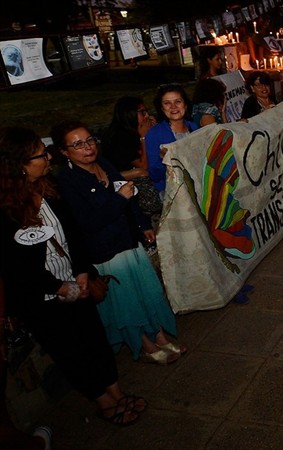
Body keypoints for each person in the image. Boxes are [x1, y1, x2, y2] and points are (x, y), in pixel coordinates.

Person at [0, 127, 146, 426]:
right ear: (20, 164)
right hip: (44, 299)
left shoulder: (49, 187)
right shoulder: (6, 210)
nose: (48, 157)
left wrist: (81, 272)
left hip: (76, 282)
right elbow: (16, 266)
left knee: (95, 341)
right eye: (41, 154)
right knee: (72, 352)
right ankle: (104, 403)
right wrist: (58, 287)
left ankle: (117, 392)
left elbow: (74, 233)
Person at [51, 121, 185, 365]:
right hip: (106, 251)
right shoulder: (68, 181)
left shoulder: (104, 164)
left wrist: (143, 224)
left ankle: (159, 335)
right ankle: (144, 343)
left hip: (129, 241)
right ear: (64, 151)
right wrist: (117, 200)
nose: (87, 148)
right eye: (78, 144)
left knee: (146, 291)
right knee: (127, 301)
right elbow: (86, 223)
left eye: (90, 140)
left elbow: (129, 196)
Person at [100, 96, 162, 222]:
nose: (147, 116)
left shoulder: (135, 131)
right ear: (130, 114)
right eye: (142, 112)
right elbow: (143, 166)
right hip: (124, 181)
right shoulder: (120, 136)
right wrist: (144, 137)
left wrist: (154, 132)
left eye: (147, 112)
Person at [145, 83, 199, 195]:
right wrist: (162, 159)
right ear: (161, 108)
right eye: (167, 103)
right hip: (173, 192)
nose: (173, 107)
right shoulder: (155, 134)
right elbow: (154, 175)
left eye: (178, 102)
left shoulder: (194, 127)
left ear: (185, 105)